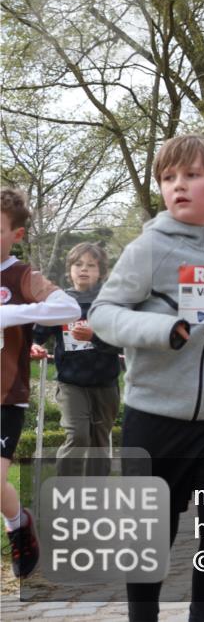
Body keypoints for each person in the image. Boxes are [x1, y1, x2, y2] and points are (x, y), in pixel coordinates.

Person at [89, 135, 204, 621]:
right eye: (169, 178)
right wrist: (162, 329)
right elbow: (104, 313)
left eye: (192, 175)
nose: (178, 186)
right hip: (154, 418)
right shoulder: (148, 247)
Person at [1, 187, 81, 579]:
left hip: (6, 394)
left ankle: (18, 526)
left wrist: (13, 313)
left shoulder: (21, 276)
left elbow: (70, 307)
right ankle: (19, 524)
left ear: (15, 234)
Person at [31, 242, 121, 477]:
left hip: (106, 382)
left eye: (91, 265)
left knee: (100, 443)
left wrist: (95, 336)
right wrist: (33, 345)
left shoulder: (110, 303)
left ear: (101, 272)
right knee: (78, 435)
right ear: (69, 270)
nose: (84, 269)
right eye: (78, 264)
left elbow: (122, 342)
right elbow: (37, 334)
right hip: (71, 383)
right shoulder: (60, 303)